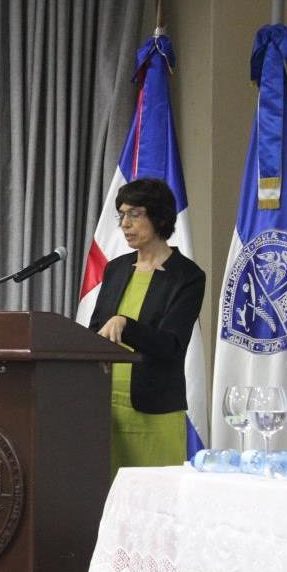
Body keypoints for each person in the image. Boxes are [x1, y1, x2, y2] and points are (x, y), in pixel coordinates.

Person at [89, 178, 206, 479]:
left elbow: (171, 345)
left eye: (135, 214)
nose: (125, 224)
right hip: (106, 411)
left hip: (154, 413)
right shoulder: (116, 269)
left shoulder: (187, 276)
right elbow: (95, 330)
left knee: (155, 510)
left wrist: (126, 326)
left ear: (160, 217)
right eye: (122, 215)